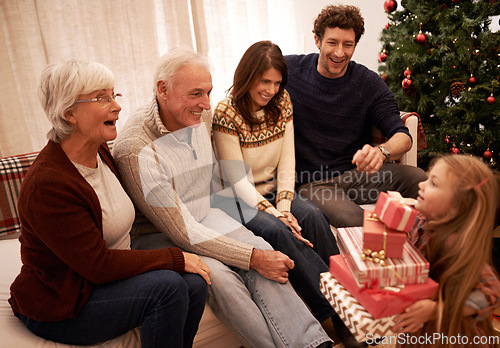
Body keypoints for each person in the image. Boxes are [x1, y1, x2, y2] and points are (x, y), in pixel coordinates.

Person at [112, 47, 333, 348]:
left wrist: (255, 253)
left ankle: (311, 343)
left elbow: (212, 187)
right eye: (195, 94)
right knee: (221, 277)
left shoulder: (199, 115)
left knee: (262, 245)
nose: (206, 104)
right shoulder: (136, 149)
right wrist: (252, 260)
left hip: (203, 210)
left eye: (208, 92)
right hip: (160, 233)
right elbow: (182, 231)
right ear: (162, 89)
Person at [8, 60, 209, 348]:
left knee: (194, 283)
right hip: (64, 303)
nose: (116, 106)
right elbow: (98, 266)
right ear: (69, 113)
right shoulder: (48, 185)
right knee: (168, 287)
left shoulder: (100, 150)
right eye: (102, 98)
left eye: (114, 95)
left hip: (104, 283)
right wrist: (175, 257)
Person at [212, 40, 364, 345]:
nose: (270, 90)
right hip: (237, 199)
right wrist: (277, 215)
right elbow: (237, 181)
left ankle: (347, 304)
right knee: (277, 230)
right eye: (264, 81)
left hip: (276, 192)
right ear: (248, 76)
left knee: (314, 216)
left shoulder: (282, 104)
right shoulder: (226, 113)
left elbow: (287, 163)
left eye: (277, 83)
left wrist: (284, 205)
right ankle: (333, 312)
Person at [285, 4, 427, 227]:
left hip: (357, 176)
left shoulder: (367, 82)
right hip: (313, 183)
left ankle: (427, 250)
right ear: (317, 40)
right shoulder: (290, 70)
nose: (339, 52)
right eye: (332, 42)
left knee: (418, 179)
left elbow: (404, 136)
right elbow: (252, 83)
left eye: (347, 44)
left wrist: (382, 152)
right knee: (352, 219)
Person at [391, 154, 500, 347]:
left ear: (457, 206)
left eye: (434, 183)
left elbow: (490, 294)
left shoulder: (454, 244)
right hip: (418, 323)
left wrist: (437, 310)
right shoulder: (422, 218)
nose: (422, 185)